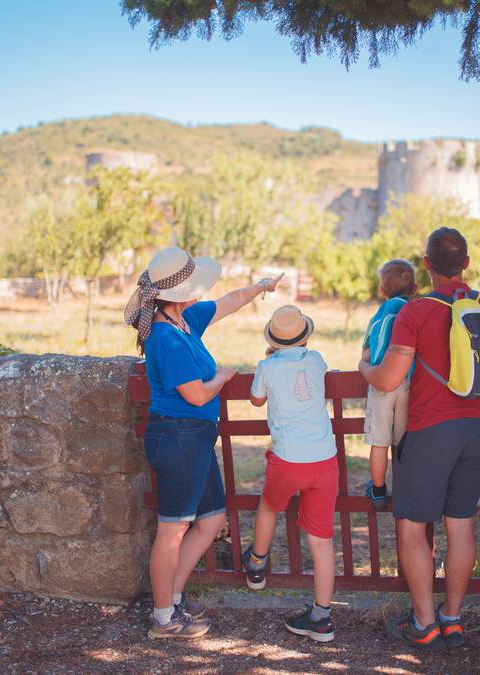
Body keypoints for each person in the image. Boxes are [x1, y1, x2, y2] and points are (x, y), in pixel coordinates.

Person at [359, 227, 480, 650]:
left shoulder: (416, 311)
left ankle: (423, 623)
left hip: (428, 433)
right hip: (473, 432)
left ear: (427, 266)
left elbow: (388, 378)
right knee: (461, 525)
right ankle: (453, 618)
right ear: (466, 263)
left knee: (412, 527)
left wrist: (364, 370)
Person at [124, 246, 282, 639]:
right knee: (172, 530)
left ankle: (172, 597)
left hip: (193, 438)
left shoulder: (185, 320)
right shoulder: (166, 337)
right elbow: (196, 395)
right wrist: (224, 378)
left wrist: (262, 285)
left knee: (210, 520)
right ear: (179, 293)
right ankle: (163, 618)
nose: (201, 291)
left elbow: (228, 301)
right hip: (177, 437)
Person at [243, 305, 338, 643]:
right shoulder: (316, 360)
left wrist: (270, 360)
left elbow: (256, 400)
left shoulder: (267, 367)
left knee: (270, 506)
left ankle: (257, 564)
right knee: (322, 540)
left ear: (272, 340)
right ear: (306, 335)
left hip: (288, 458)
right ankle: (322, 616)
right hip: (324, 460)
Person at [362, 258, 417, 510]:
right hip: (407, 381)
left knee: (379, 441)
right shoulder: (415, 311)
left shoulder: (379, 314)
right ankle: (406, 489)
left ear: (382, 291)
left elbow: (365, 351)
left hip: (381, 383)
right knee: (403, 439)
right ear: (414, 289)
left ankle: (378, 489)